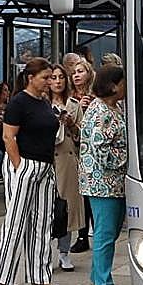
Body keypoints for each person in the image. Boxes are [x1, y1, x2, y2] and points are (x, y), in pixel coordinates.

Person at [0, 58, 65, 285]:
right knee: (16, 220)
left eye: (51, 77)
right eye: (45, 77)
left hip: (45, 167)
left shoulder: (43, 102)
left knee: (42, 223)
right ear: (30, 78)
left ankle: (40, 278)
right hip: (25, 164)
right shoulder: (19, 102)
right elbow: (8, 137)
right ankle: (3, 277)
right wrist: (18, 165)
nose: (49, 82)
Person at [79, 64, 129, 285]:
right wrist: (126, 158)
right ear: (112, 85)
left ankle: (97, 276)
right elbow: (101, 152)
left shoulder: (114, 107)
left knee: (110, 231)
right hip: (102, 183)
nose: (125, 87)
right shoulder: (101, 112)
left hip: (113, 183)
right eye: (122, 82)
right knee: (105, 233)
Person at [48, 63, 85, 271]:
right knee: (48, 206)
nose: (58, 81)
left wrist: (70, 123)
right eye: (53, 77)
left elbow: (82, 137)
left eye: (61, 77)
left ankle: (64, 252)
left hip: (68, 160)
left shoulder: (73, 104)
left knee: (67, 207)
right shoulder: (42, 104)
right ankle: (44, 249)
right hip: (47, 158)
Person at [68, 58, 96, 253]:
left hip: (90, 150)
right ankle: (81, 234)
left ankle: (95, 231)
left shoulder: (95, 96)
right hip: (73, 149)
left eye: (80, 71)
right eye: (74, 72)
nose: (76, 75)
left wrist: (88, 107)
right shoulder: (69, 97)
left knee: (89, 194)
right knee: (79, 195)